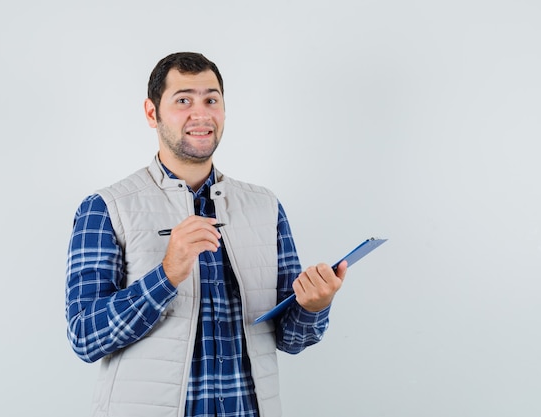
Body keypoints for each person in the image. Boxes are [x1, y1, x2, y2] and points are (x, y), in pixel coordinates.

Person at [65, 52, 347, 417]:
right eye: (183, 100)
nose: (201, 114)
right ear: (152, 113)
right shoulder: (105, 207)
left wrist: (314, 306)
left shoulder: (265, 207)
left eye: (211, 100)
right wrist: (166, 275)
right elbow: (85, 337)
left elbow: (291, 339)